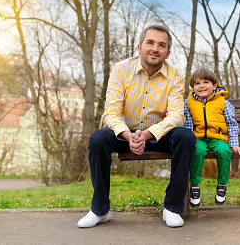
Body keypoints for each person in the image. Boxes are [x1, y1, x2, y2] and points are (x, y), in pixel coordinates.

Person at [77, 24, 195, 228]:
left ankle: (172, 208)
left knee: (186, 137)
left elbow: (176, 116)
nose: (155, 49)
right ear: (139, 47)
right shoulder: (121, 70)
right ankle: (100, 209)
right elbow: (111, 113)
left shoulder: (175, 75)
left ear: (168, 53)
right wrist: (128, 136)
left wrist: (148, 134)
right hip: (125, 134)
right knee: (98, 139)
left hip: (159, 135)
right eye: (150, 43)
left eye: (161, 45)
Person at [183, 68, 240, 207]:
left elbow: (231, 123)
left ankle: (222, 184)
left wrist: (234, 143)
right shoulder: (188, 103)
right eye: (197, 83)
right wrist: (189, 142)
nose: (201, 86)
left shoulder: (223, 102)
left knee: (224, 152)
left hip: (218, 137)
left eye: (206, 82)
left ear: (214, 85)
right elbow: (187, 124)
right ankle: (194, 185)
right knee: (198, 151)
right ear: (193, 87)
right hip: (197, 138)